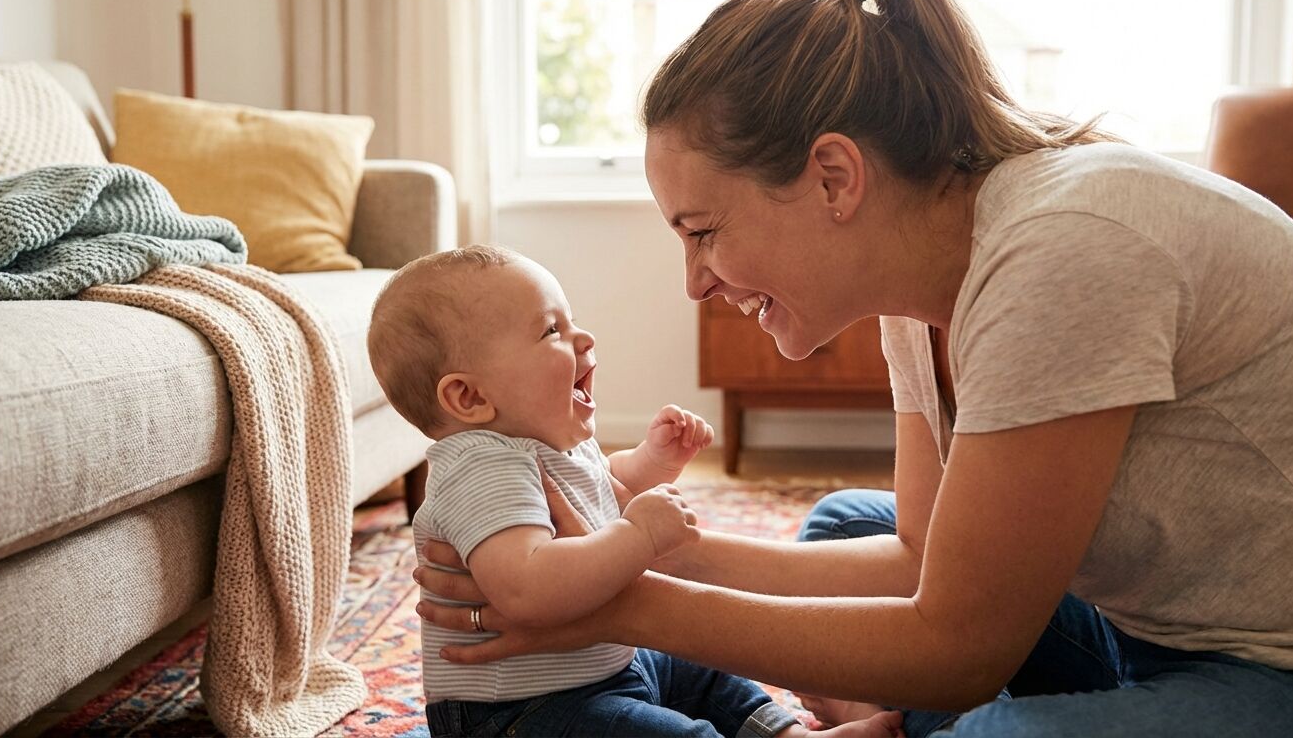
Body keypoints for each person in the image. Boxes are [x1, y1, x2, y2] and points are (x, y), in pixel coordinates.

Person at [412, 0, 1293, 736]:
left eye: (703, 232)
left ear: (834, 177)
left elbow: (960, 649)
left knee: (958, 692)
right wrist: (644, 549)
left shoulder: (1064, 247)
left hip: (1283, 663)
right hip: (1144, 620)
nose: (695, 282)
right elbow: (920, 559)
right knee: (849, 522)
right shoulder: (919, 288)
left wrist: (621, 603)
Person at [367, 245, 905, 737]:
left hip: (605, 664)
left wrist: (651, 462)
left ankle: (783, 733)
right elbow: (528, 589)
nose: (583, 338)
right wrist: (637, 536)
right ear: (468, 396)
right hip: (525, 711)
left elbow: (604, 489)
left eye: (572, 320)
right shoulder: (480, 466)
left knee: (704, 671)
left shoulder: (540, 439)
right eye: (550, 331)